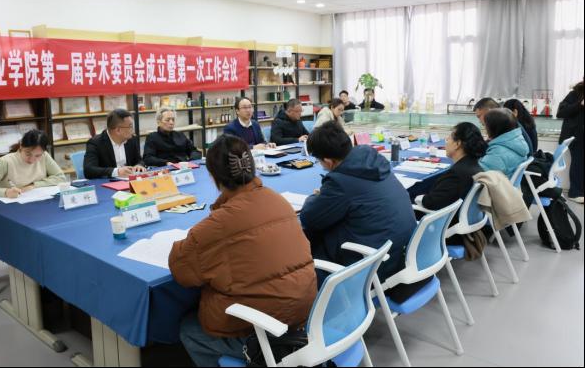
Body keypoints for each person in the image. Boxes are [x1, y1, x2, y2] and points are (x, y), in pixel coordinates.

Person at [169, 135, 317, 367]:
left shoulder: (217, 225)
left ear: (214, 177)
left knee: (190, 330)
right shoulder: (277, 200)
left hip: (261, 330)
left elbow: (182, 271)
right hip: (304, 313)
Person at [301, 121, 417, 281]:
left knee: (306, 241)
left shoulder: (340, 182)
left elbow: (309, 218)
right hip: (403, 255)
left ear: (328, 161)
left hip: (374, 269)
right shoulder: (373, 161)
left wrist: (315, 197)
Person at [416, 122, 487, 212]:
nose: (446, 141)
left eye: (449, 138)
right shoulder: (474, 165)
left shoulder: (457, 174)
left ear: (457, 144)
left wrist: (417, 198)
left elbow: (431, 202)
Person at [0, 129, 65, 198]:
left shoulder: (44, 156)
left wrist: (33, 185)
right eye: (28, 154)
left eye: (37, 156)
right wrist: (5, 192)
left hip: (35, 201)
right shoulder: (5, 162)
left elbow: (60, 178)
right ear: (21, 146)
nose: (32, 160)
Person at [83, 109, 145, 179]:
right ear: (118, 130)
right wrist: (117, 172)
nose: (133, 130)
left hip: (128, 180)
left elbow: (139, 160)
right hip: (107, 182)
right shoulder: (95, 143)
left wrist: (139, 165)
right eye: (130, 127)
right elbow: (89, 170)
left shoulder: (131, 139)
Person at [479, 108, 529, 178]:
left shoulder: (497, 154)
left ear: (493, 128)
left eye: (485, 125)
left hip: (494, 184)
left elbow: (477, 174)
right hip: (506, 181)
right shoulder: (518, 140)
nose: (485, 129)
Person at [557, 80, 584, 203]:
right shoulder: (574, 94)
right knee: (579, 163)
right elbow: (561, 112)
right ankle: (575, 192)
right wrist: (580, 104)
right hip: (576, 136)